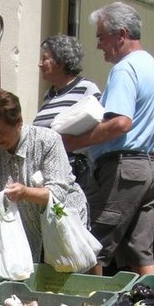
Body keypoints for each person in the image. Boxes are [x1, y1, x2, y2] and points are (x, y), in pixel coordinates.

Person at [65, 2, 154, 276]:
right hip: (147, 170)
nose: (98, 45)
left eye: (101, 37)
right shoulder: (153, 68)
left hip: (123, 170)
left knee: (90, 248)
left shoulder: (125, 69)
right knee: (140, 256)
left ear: (120, 35)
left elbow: (120, 123)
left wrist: (73, 142)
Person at [0, 89, 89, 262]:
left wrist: (25, 193)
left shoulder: (48, 141)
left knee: (71, 276)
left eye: (1, 132)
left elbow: (57, 193)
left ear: (18, 122)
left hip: (64, 225)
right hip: (26, 235)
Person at [33, 34, 101, 190]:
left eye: (45, 59)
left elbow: (100, 126)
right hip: (45, 172)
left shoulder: (86, 88)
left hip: (72, 172)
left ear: (61, 62)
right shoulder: (49, 94)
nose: (40, 64)